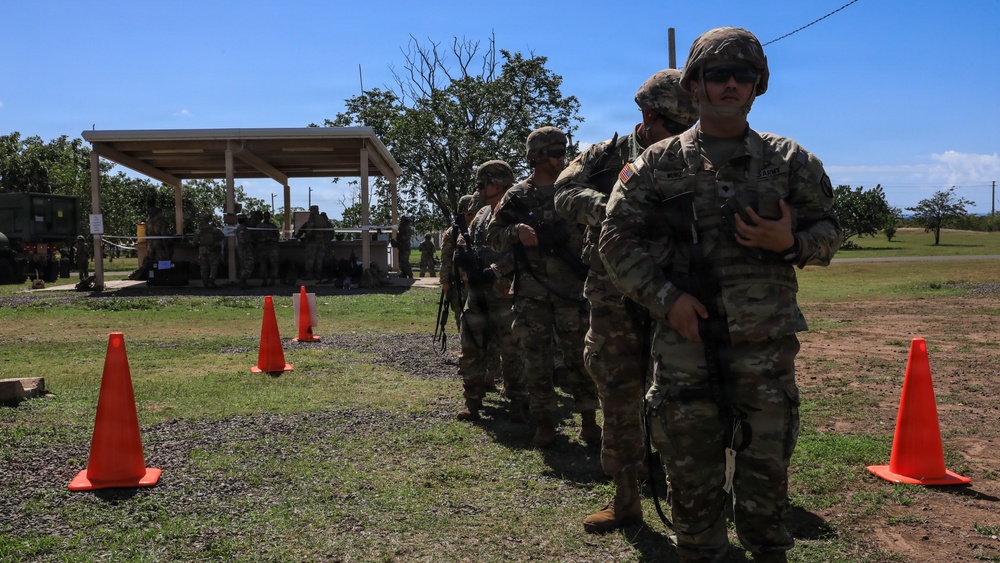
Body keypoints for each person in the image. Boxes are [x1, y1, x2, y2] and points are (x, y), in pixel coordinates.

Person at [598, 27, 841, 562]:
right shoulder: (658, 164)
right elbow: (614, 240)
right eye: (717, 74)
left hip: (764, 350)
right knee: (691, 480)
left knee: (766, 478)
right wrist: (667, 299)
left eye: (743, 75)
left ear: (759, 85)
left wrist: (792, 241)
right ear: (694, 85)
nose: (731, 84)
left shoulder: (789, 160)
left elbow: (830, 231)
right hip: (685, 348)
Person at [555, 68, 699, 534]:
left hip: (672, 295)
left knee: (680, 399)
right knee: (618, 394)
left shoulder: (695, 157)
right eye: (674, 128)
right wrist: (611, 207)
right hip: (613, 296)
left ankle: (689, 500)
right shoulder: (603, 157)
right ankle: (625, 498)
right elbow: (563, 192)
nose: (681, 138)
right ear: (647, 115)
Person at [486, 126, 600, 448]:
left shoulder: (574, 190)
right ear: (535, 157)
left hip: (572, 292)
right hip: (532, 294)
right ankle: (546, 422)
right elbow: (492, 237)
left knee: (581, 358)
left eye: (563, 150)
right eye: (553, 152)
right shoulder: (518, 196)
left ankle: (589, 422)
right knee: (535, 359)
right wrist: (516, 231)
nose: (560, 157)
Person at [455, 161, 526, 422]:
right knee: (471, 346)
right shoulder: (483, 214)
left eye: (482, 183)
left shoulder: (516, 213)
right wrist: (463, 255)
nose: (479, 189)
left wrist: (496, 270)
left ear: (497, 183)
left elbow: (522, 253)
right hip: (478, 293)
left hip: (507, 293)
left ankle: (518, 399)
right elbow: (467, 240)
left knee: (512, 350)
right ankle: (472, 400)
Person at [440, 195, 476, 334]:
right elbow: (446, 259)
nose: (471, 217)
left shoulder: (481, 228)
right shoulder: (453, 232)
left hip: (478, 281)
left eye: (473, 213)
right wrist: (445, 282)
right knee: (461, 316)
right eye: (468, 213)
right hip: (459, 284)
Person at [296, 205, 328, 280]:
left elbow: (309, 229)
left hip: (313, 241)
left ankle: (309, 274)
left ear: (314, 210)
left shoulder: (312, 218)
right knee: (319, 259)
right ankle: (318, 275)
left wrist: (307, 237)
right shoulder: (322, 219)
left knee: (310, 258)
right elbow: (326, 230)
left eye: (311, 210)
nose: (310, 212)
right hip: (321, 242)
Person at [196, 215, 224, 288]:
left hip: (202, 250)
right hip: (211, 249)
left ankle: (205, 282)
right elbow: (222, 236)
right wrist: (215, 241)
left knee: (203, 266)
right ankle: (211, 279)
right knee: (214, 265)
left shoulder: (199, 230)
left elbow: (194, 241)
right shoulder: (213, 229)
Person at [255, 211, 281, 286]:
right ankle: (264, 280)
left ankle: (273, 280)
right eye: (265, 216)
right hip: (262, 246)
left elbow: (277, 236)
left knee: (274, 263)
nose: (267, 218)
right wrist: (263, 240)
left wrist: (272, 239)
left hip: (272, 246)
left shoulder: (273, 226)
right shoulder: (259, 226)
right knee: (263, 264)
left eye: (268, 216)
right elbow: (256, 236)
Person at [235, 214, 255, 289]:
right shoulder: (241, 229)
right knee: (249, 265)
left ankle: (243, 282)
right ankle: (242, 281)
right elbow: (242, 240)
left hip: (245, 249)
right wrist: (250, 240)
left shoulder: (244, 228)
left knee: (245, 266)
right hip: (244, 250)